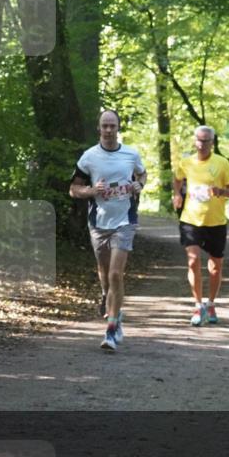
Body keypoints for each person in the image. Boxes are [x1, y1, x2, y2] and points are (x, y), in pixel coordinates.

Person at [70, 109, 146, 351]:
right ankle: (109, 299)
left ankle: (112, 329)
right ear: (99, 128)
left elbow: (143, 175)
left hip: (125, 220)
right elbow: (73, 189)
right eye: (105, 126)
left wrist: (138, 185)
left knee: (115, 274)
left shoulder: (131, 154)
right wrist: (92, 191)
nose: (109, 130)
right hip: (99, 222)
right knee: (104, 274)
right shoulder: (89, 157)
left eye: (113, 126)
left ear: (118, 127)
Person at [172, 125, 229, 326]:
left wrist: (221, 191)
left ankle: (211, 303)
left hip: (216, 221)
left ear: (212, 142)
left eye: (206, 141)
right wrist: (177, 194)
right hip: (191, 219)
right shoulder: (186, 162)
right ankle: (198, 305)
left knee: (215, 267)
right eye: (199, 140)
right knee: (192, 261)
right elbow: (177, 179)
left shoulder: (222, 163)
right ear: (194, 141)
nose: (202, 144)